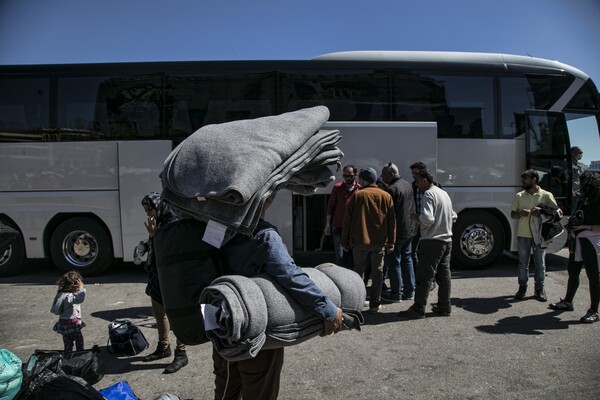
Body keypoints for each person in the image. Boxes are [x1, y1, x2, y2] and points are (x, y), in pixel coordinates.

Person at [213, 192, 344, 400]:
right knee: (260, 390)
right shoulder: (263, 234)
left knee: (226, 387)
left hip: (220, 323)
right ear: (267, 198)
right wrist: (327, 309)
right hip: (254, 326)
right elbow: (290, 275)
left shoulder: (214, 229)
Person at [139, 192, 188, 374]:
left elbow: (172, 251)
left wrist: (154, 234)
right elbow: (155, 246)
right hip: (156, 273)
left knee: (177, 315)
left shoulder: (174, 222)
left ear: (159, 206)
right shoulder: (157, 222)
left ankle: (181, 352)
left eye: (149, 209)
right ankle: (163, 347)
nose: (148, 214)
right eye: (146, 210)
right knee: (158, 312)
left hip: (172, 276)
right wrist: (147, 241)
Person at [397, 169, 456, 319]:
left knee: (424, 277)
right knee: (444, 276)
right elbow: (454, 215)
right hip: (446, 240)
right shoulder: (443, 193)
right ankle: (445, 306)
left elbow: (428, 219)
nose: (416, 185)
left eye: (417, 181)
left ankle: (418, 309)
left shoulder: (429, 194)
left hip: (432, 240)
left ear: (425, 180)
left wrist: (417, 219)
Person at [341, 167, 396, 314]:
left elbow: (347, 221)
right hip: (379, 243)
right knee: (378, 274)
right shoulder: (386, 196)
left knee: (358, 273)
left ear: (364, 180)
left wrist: (344, 241)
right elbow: (392, 221)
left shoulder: (358, 196)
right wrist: (391, 241)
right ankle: (375, 304)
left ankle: (357, 303)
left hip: (360, 241)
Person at [549, 171, 600, 323]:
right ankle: (568, 301)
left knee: (594, 277)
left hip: (592, 242)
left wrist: (585, 227)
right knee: (573, 272)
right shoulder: (581, 199)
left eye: (583, 183)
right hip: (577, 240)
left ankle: (594, 311)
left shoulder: (598, 200)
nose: (580, 186)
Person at [511, 169, 558, 302]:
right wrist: (520, 213)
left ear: (534, 179)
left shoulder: (546, 195)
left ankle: (539, 289)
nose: (522, 182)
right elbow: (513, 214)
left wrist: (541, 213)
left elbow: (556, 212)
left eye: (525, 179)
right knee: (522, 263)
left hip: (540, 235)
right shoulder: (519, 196)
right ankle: (522, 288)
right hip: (523, 234)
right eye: (522, 179)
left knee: (540, 263)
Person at [380, 163, 417, 303]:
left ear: (392, 174)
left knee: (394, 262)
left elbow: (388, 214)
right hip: (409, 230)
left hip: (397, 232)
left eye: (384, 174)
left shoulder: (391, 189)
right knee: (407, 260)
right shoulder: (407, 185)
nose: (382, 177)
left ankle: (396, 294)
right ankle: (409, 291)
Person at [324, 165, 360, 267]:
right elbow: (330, 206)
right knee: (339, 256)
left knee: (353, 256)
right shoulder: (337, 188)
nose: (347, 178)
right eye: (345, 175)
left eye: (350, 176)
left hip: (354, 228)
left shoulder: (360, 189)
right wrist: (327, 224)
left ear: (355, 175)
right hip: (338, 226)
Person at [51, 270, 86, 352]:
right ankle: (80, 355)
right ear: (73, 286)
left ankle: (68, 356)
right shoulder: (68, 297)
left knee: (68, 343)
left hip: (64, 323)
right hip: (72, 323)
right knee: (79, 341)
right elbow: (79, 299)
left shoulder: (61, 294)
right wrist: (81, 289)